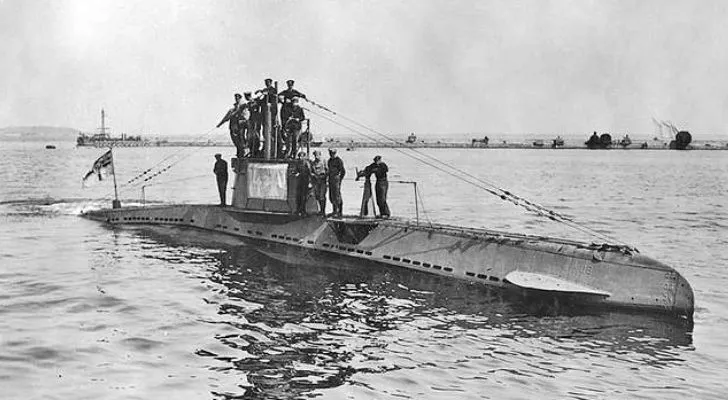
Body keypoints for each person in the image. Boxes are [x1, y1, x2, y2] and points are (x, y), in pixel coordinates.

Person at [216, 93, 246, 159]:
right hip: (233, 128)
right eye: (236, 98)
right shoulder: (231, 110)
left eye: (238, 98)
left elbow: (244, 116)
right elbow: (225, 118)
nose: (236, 100)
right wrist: (219, 124)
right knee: (235, 141)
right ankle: (239, 153)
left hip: (239, 128)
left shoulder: (242, 109)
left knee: (240, 140)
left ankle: (242, 153)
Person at [327, 148, 345, 217]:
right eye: (330, 153)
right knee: (332, 196)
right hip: (331, 179)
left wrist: (340, 179)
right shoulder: (330, 161)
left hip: (336, 179)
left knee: (337, 196)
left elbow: (343, 171)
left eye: (332, 153)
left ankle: (339, 212)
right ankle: (334, 211)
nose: (331, 155)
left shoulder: (338, 160)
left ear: (335, 153)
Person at [309, 150, 328, 215]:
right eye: (315, 155)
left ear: (320, 155)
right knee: (317, 196)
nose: (317, 157)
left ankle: (323, 211)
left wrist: (325, 177)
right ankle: (320, 210)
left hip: (322, 181)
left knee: (322, 196)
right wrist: (313, 175)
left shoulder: (324, 162)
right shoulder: (313, 163)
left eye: (318, 155)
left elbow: (327, 171)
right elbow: (311, 172)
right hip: (316, 182)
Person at [294, 151, 311, 215]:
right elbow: (296, 170)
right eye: (299, 156)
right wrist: (296, 173)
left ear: (304, 157)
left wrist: (309, 182)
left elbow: (309, 173)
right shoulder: (298, 163)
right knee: (298, 196)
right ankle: (298, 209)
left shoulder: (306, 163)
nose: (300, 158)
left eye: (302, 156)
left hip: (305, 181)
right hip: (299, 181)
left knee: (304, 196)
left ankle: (303, 210)